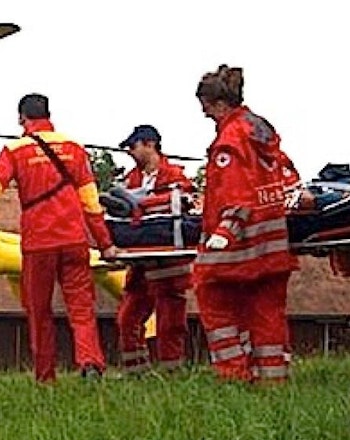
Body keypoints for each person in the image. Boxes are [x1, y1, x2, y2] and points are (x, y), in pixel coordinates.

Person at [0, 93, 121, 383]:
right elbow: (90, 202)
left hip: (39, 243)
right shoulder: (74, 148)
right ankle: (90, 363)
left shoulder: (15, 150)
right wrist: (105, 244)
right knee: (82, 309)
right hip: (74, 240)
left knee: (39, 312)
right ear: (49, 114)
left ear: (21, 118)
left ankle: (46, 377)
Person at [192, 64, 299, 384]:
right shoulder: (261, 132)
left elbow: (235, 192)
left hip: (240, 245)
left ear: (219, 104)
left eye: (206, 108)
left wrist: (224, 232)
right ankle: (273, 380)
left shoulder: (230, 140)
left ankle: (233, 374)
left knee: (210, 293)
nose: (206, 115)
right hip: (274, 245)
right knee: (266, 311)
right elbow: (289, 178)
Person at [113, 124, 195, 375]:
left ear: (150, 144)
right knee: (128, 318)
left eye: (133, 146)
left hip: (169, 263)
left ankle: (172, 371)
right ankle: (136, 372)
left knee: (170, 320)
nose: (130, 152)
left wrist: (143, 204)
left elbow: (187, 201)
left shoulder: (175, 176)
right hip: (140, 263)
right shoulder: (131, 179)